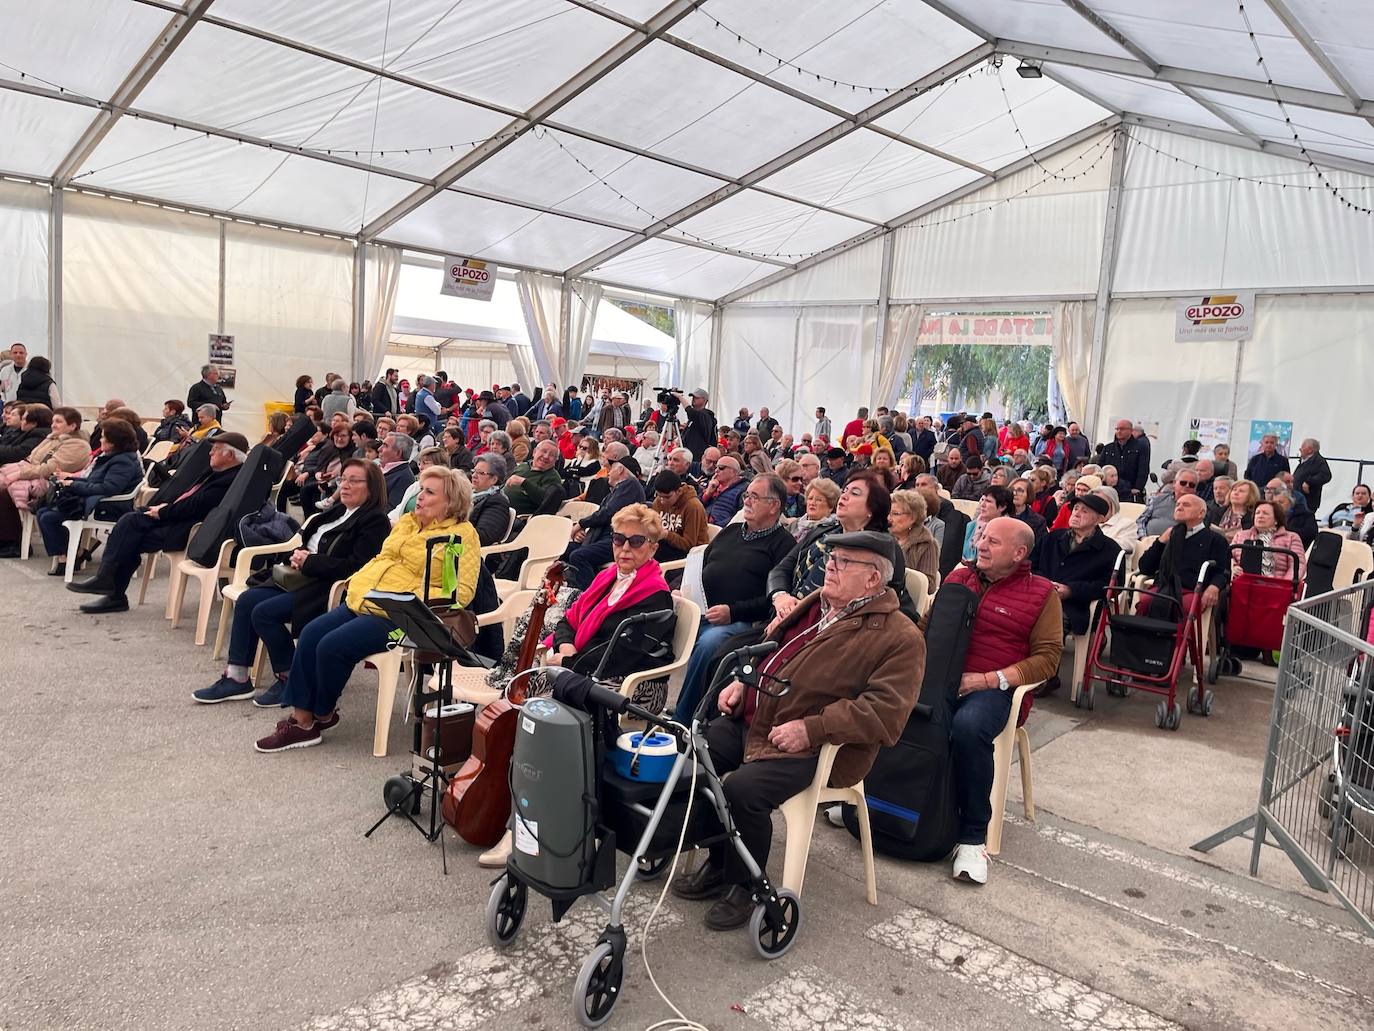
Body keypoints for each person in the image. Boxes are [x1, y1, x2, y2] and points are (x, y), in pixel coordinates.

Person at [671, 530, 921, 929]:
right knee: (693, 757)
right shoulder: (815, 605)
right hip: (756, 718)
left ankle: (746, 883)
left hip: (816, 746)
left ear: (874, 578)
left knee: (742, 791)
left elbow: (886, 712)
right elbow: (768, 650)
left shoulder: (899, 636)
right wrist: (742, 682)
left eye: (842, 562)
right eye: (832, 558)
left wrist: (813, 728)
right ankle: (719, 860)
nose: (830, 567)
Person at [253, 467, 480, 752]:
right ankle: (304, 721)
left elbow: (459, 591)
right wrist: (357, 584)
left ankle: (319, 714)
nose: (420, 497)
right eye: (421, 490)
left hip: (401, 613)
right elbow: (381, 559)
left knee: (332, 646)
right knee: (310, 634)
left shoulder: (457, 537)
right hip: (365, 597)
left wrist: (407, 598)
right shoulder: (409, 523)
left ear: (451, 502)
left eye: (430, 492)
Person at [193, 459, 392, 704]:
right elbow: (304, 541)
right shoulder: (338, 511)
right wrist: (296, 557)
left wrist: (310, 562)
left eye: (354, 481)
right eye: (343, 480)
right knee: (246, 601)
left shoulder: (374, 521)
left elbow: (357, 566)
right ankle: (237, 677)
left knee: (264, 613)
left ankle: (290, 676)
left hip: (326, 587)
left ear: (372, 488)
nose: (345, 486)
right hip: (300, 577)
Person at [940, 517, 1063, 885]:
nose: (980, 544)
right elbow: (927, 627)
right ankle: (878, 802)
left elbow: (1048, 659)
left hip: (998, 689)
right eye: (981, 536)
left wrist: (988, 680)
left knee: (968, 727)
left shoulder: (1042, 594)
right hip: (943, 678)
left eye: (992, 541)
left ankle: (972, 837)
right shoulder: (958, 578)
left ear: (1018, 553)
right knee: (894, 704)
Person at [66, 434, 250, 613]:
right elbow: (187, 498)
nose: (210, 453)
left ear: (230, 455)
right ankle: (110, 587)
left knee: (128, 535)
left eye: (216, 450)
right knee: (129, 527)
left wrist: (162, 512)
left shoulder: (229, 480)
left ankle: (111, 589)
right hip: (176, 518)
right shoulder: (216, 473)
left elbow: (196, 507)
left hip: (188, 529)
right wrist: (163, 507)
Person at [672, 474, 798, 723]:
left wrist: (733, 611)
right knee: (658, 618)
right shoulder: (731, 531)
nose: (746, 501)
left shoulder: (784, 544)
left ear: (774, 505)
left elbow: (774, 598)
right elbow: (699, 563)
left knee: (709, 643)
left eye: (754, 497)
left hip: (741, 621)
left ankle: (683, 718)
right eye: (746, 495)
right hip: (700, 608)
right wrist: (678, 587)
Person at [28, 418, 143, 567]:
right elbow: (94, 482)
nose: (100, 439)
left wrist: (73, 485)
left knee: (49, 517)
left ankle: (69, 557)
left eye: (103, 436)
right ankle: (74, 553)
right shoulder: (112, 457)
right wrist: (69, 480)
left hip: (107, 506)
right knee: (42, 512)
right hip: (97, 501)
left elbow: (108, 488)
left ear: (113, 441)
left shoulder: (123, 461)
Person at [1036, 491, 1121, 647]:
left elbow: (1111, 587)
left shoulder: (1110, 550)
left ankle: (1046, 670)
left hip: (1074, 606)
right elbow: (1031, 566)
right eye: (1075, 509)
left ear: (1100, 519)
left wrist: (1071, 590)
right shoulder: (1052, 538)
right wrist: (1045, 585)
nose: (1076, 514)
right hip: (1038, 596)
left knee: (1049, 623)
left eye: (1084, 511)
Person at [0, 406, 89, 544]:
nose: (53, 425)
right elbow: (30, 458)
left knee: (3, 491)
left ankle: (11, 542)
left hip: (54, 485)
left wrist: (19, 474)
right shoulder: (52, 438)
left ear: (72, 426)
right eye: (53, 421)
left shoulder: (77, 445)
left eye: (58, 421)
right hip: (35, 477)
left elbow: (50, 469)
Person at [563, 449, 645, 589]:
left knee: (579, 556)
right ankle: (569, 591)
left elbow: (608, 513)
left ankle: (591, 596)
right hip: (602, 538)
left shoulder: (629, 485)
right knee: (563, 550)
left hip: (619, 540)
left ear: (620, 470)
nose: (607, 473)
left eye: (610, 469)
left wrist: (581, 524)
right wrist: (585, 534)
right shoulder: (615, 491)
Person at [1136, 494, 1230, 615]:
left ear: (1201, 513)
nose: (1179, 507)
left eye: (1186, 505)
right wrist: (1160, 542)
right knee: (1145, 602)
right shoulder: (1170, 536)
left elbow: (1223, 571)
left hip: (1193, 590)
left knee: (1184, 607)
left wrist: (1214, 587)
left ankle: (1181, 635)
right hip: (1164, 588)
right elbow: (1145, 567)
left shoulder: (1216, 539)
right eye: (1177, 504)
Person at [1232, 501, 1307, 582]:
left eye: (1265, 513)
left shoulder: (1292, 537)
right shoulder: (1240, 535)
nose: (1260, 516)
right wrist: (1233, 567)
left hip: (1278, 587)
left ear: (1276, 520)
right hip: (1243, 584)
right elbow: (1229, 558)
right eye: (1257, 513)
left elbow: (1298, 565)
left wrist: (1284, 583)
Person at [650, 469, 708, 563]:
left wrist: (666, 535)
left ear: (679, 491)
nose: (662, 501)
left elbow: (689, 545)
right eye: (659, 496)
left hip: (691, 555)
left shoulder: (693, 506)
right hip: (666, 547)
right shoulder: (658, 501)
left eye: (667, 497)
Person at [888, 489, 939, 587]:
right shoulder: (883, 538)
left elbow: (929, 584)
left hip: (907, 598)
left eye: (895, 514)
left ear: (913, 517)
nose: (889, 519)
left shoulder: (926, 544)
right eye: (888, 513)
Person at [388, 446, 452, 521]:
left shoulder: (448, 488)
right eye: (419, 463)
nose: (420, 467)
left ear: (440, 466)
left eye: (425, 463)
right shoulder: (415, 485)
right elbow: (399, 508)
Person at [504, 439, 564, 516]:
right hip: (500, 506)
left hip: (519, 517)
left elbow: (545, 500)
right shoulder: (523, 466)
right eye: (544, 451)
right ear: (534, 452)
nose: (546, 456)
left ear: (556, 460)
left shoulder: (553, 478)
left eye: (552, 455)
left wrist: (524, 482)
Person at [468, 454, 514, 547]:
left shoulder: (497, 502)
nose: (474, 476)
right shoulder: (468, 493)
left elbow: (484, 536)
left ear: (494, 479)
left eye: (480, 473)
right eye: (474, 471)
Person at [963, 485, 1014, 562]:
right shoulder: (971, 525)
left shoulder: (1008, 529)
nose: (982, 505)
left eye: (988, 501)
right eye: (982, 500)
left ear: (1002, 507)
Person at [1265, 480, 1317, 548]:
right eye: (1275, 503)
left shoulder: (1306, 515)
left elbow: (1311, 534)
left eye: (1281, 502)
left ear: (1290, 502)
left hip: (1297, 548)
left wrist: (1284, 529)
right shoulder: (1270, 516)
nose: (1277, 506)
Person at [700, 455, 747, 527]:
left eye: (721, 468)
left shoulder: (743, 488)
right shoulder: (713, 485)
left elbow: (742, 516)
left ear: (734, 472)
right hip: (702, 526)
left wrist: (719, 526)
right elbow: (696, 507)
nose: (716, 470)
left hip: (722, 530)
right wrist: (707, 493)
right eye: (716, 467)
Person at [1292, 438, 1331, 513]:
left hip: (1308, 500)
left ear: (1310, 450)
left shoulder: (1319, 461)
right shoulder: (1305, 460)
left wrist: (1308, 482)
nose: (1300, 449)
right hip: (1297, 499)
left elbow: (1326, 475)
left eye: (1303, 447)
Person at [1009, 477, 1047, 553]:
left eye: (1020, 490)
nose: (1015, 493)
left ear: (1028, 494)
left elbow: (1039, 549)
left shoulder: (1038, 521)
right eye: (1012, 490)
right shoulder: (999, 513)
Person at [678, 388, 717, 461]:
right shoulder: (696, 418)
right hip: (687, 456)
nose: (693, 399)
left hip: (696, 458)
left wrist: (680, 397)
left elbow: (691, 412)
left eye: (696, 397)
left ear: (704, 400)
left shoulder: (705, 415)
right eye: (693, 397)